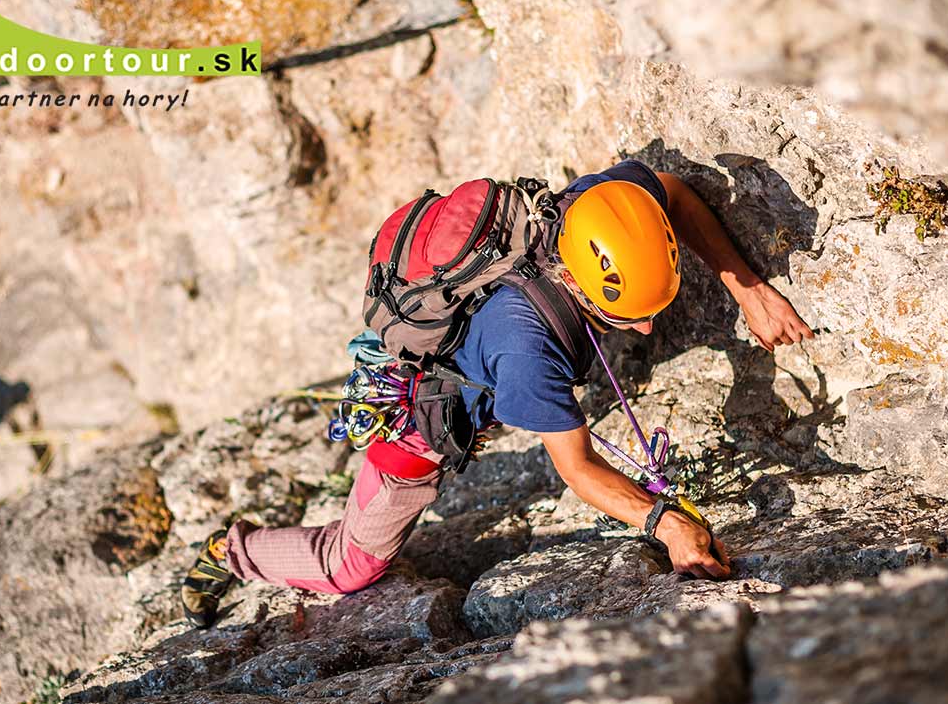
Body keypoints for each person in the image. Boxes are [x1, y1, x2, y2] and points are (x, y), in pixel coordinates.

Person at [180, 160, 814, 628]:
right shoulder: (528, 351)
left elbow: (666, 188)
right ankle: (230, 553)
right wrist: (669, 525)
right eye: (629, 315)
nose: (647, 328)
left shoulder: (593, 214)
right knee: (350, 567)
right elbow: (577, 469)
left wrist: (748, 288)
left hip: (480, 338)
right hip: (418, 409)